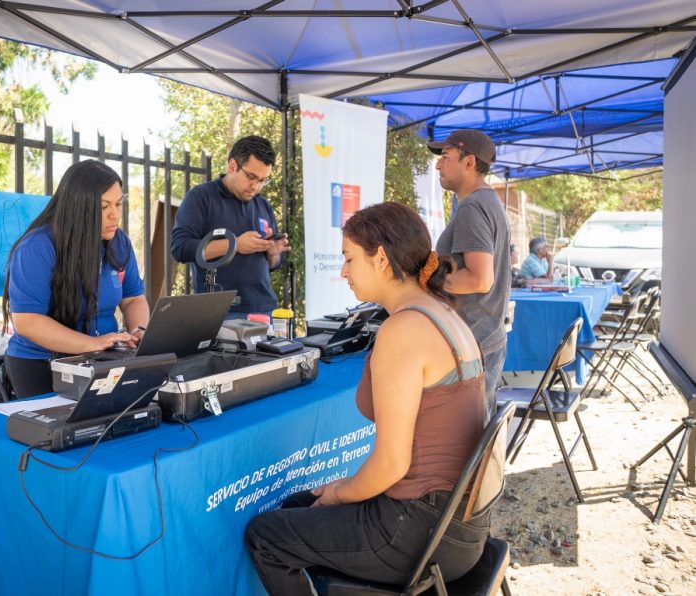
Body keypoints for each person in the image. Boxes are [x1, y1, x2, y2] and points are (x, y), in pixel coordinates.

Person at [244, 202, 489, 595]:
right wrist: (343, 488)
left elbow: (392, 463)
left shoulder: (405, 329)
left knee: (266, 535)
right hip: (458, 523)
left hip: (420, 531)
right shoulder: (443, 314)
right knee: (296, 505)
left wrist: (340, 493)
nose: (343, 271)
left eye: (349, 259)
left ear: (380, 259)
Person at [1, 160, 149, 398]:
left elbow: (133, 299)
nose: (115, 215)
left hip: (102, 359)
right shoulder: (37, 247)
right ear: (78, 206)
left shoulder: (120, 243)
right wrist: (93, 343)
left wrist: (140, 331)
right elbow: (28, 321)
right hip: (42, 365)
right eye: (103, 206)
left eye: (119, 204)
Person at [429, 129, 510, 414]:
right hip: (484, 338)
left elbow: (479, 279)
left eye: (446, 157)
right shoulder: (486, 203)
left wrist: (426, 280)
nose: (439, 164)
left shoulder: (473, 207)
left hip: (473, 343)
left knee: (470, 444)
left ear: (469, 162)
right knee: (477, 439)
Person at [170, 135, 290, 318]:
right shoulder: (201, 197)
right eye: (251, 177)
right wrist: (234, 245)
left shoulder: (263, 205)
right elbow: (180, 249)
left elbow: (272, 265)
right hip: (221, 313)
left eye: (263, 180)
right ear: (232, 166)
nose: (256, 186)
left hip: (266, 310)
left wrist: (272, 253)